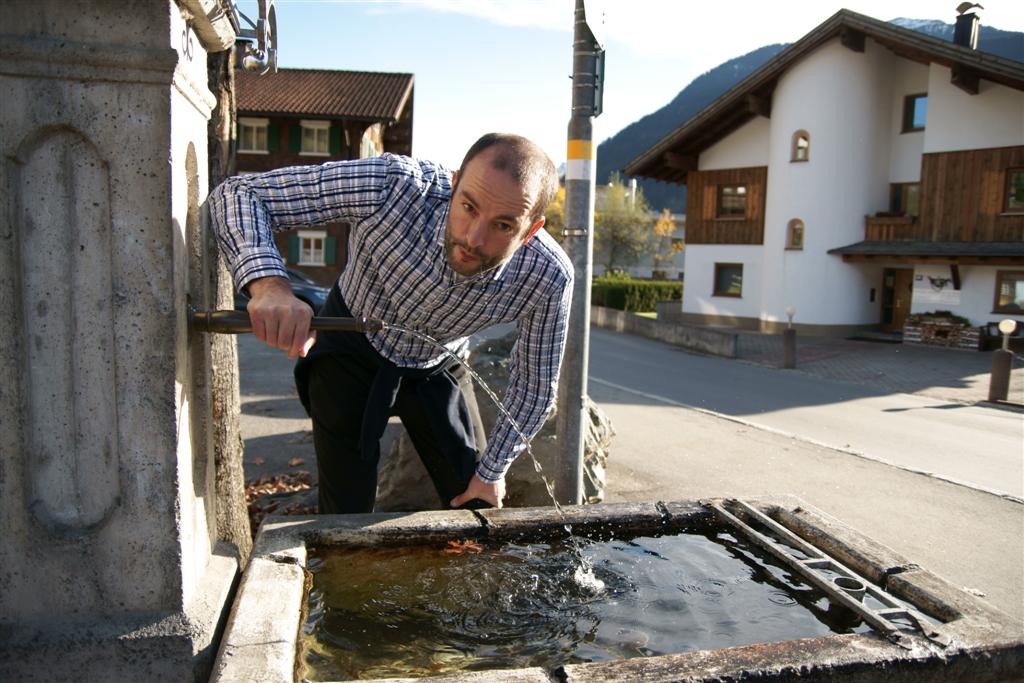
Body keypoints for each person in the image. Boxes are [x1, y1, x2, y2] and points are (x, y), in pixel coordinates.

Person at [208, 133, 573, 513]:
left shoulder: (548, 276)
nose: (473, 238)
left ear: (530, 231)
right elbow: (241, 193)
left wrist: (494, 470)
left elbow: (534, 385)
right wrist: (269, 285)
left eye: (503, 226)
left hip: (437, 363)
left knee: (476, 500)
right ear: (454, 183)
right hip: (350, 348)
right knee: (345, 512)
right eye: (468, 206)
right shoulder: (392, 185)